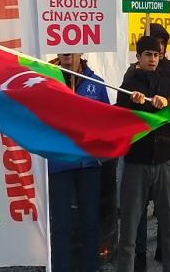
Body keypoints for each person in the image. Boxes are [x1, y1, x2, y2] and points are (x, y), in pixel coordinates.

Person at [116, 36, 170, 272]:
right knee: (128, 230)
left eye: (156, 55)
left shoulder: (168, 82)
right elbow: (119, 116)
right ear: (138, 57)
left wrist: (168, 102)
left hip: (165, 163)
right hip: (136, 163)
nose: (152, 59)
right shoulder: (128, 83)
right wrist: (133, 103)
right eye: (148, 54)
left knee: (169, 228)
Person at [48, 53, 109, 272]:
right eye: (61, 45)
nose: (66, 51)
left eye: (72, 46)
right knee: (61, 226)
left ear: (82, 49)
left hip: (88, 165)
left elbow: (107, 122)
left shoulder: (97, 84)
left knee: (90, 224)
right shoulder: (46, 81)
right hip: (59, 164)